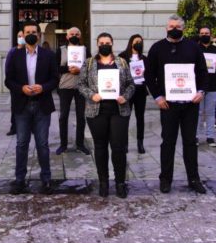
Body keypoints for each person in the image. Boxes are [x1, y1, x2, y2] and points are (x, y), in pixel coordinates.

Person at [145, 15, 209, 194]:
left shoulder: (193, 47)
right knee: (168, 142)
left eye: (178, 26)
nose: (174, 29)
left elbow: (203, 73)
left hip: (190, 104)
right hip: (168, 105)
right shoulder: (157, 48)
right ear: (166, 27)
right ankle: (165, 179)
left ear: (183, 28)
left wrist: (201, 92)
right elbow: (149, 75)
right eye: (171, 26)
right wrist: (157, 96)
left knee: (190, 141)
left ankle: (194, 178)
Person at [4, 20, 59, 194]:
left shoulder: (48, 55)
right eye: (28, 31)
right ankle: (20, 180)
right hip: (22, 105)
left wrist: (43, 87)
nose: (31, 34)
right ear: (23, 33)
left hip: (42, 105)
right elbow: (8, 80)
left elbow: (55, 79)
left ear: (39, 34)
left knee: (42, 144)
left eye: (34, 31)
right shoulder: (15, 55)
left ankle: (46, 179)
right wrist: (21, 88)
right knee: (21, 144)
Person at [79, 33, 136, 198]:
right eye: (101, 43)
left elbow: (131, 84)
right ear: (97, 44)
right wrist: (91, 95)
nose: (104, 45)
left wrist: (125, 96)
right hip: (96, 110)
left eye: (107, 42)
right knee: (100, 146)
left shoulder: (122, 62)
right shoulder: (89, 63)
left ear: (112, 44)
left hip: (119, 109)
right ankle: (103, 182)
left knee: (118, 148)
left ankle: (120, 182)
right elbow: (81, 84)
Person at [56, 27, 90, 155]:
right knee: (63, 116)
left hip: (81, 87)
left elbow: (91, 67)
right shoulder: (60, 50)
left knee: (81, 116)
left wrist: (80, 70)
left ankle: (80, 144)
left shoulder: (85, 50)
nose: (74, 35)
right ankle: (63, 144)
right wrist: (68, 69)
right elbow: (55, 67)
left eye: (77, 34)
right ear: (67, 36)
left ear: (80, 36)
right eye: (72, 34)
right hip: (65, 87)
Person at [196, 26, 216, 147]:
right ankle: (196, 136)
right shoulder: (195, 48)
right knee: (198, 113)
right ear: (199, 35)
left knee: (210, 112)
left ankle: (210, 137)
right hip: (198, 85)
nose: (204, 35)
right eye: (202, 33)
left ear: (210, 35)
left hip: (213, 85)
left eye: (207, 33)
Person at [122, 34, 147, 154]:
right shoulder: (123, 56)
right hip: (127, 91)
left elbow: (149, 75)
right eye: (136, 41)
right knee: (125, 117)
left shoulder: (145, 58)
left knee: (140, 117)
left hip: (140, 91)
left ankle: (140, 142)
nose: (138, 43)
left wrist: (146, 73)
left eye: (140, 42)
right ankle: (125, 143)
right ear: (131, 42)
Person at [4, 31, 25, 136]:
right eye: (19, 36)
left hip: (28, 85)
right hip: (16, 85)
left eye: (23, 36)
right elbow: (7, 68)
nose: (21, 38)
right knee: (15, 106)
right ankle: (14, 127)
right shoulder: (12, 51)